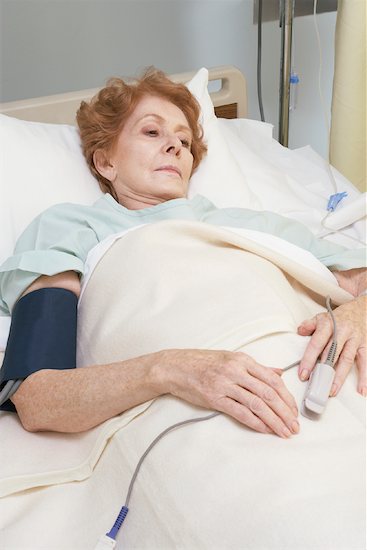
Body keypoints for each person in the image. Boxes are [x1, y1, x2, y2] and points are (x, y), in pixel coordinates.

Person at [0, 68, 365, 437]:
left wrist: (358, 314)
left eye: (185, 141)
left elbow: (360, 280)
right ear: (105, 162)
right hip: (196, 416)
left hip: (319, 380)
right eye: (151, 131)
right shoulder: (72, 228)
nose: (175, 146)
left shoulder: (253, 225)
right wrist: (171, 369)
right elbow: (38, 397)